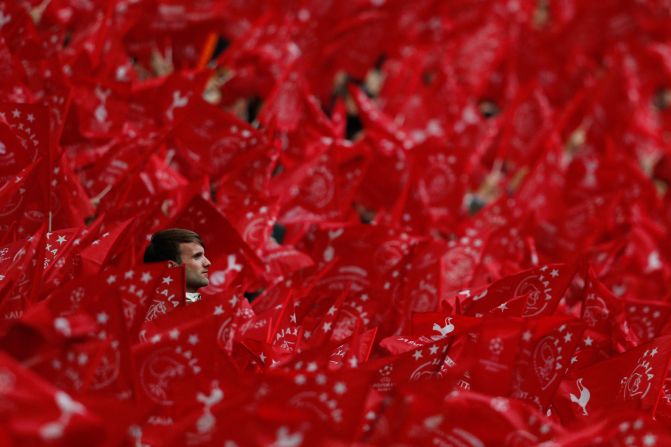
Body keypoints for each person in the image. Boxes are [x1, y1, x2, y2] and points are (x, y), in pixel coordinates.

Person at [143, 228, 211, 304]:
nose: (208, 263)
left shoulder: (207, 311)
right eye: (197, 256)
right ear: (171, 267)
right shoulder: (158, 313)